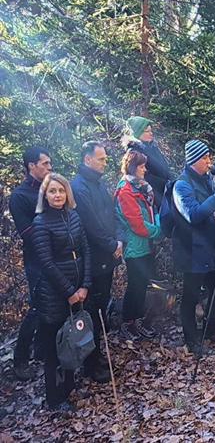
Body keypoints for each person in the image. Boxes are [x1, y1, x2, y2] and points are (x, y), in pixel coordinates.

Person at [30, 173, 90, 412]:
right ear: (45, 194)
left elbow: (85, 249)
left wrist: (85, 284)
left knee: (72, 341)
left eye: (61, 191)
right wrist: (68, 292)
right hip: (54, 294)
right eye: (53, 191)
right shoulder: (41, 223)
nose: (57, 195)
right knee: (55, 347)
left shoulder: (73, 216)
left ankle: (69, 388)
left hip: (78, 289)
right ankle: (55, 399)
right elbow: (46, 262)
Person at [71, 141, 124, 383]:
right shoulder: (79, 187)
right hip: (93, 260)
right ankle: (90, 364)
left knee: (101, 307)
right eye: (100, 159)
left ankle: (97, 354)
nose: (104, 163)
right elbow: (91, 225)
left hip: (108, 256)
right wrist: (111, 245)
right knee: (91, 311)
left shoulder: (99, 183)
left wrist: (119, 240)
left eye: (105, 159)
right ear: (87, 159)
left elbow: (112, 213)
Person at [172, 140, 215, 352]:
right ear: (194, 160)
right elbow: (193, 214)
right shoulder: (182, 185)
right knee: (191, 296)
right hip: (191, 250)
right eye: (205, 158)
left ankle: (209, 329)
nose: (208, 161)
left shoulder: (207, 179)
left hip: (210, 247)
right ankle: (192, 340)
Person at [9, 146, 52, 381]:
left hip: (59, 258)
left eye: (49, 163)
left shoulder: (51, 189)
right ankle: (20, 360)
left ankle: (42, 351)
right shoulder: (20, 196)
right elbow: (27, 232)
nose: (49, 167)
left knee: (55, 307)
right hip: (37, 262)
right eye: (44, 163)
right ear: (31, 166)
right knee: (36, 308)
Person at [114, 150, 162, 340]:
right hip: (135, 247)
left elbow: (152, 211)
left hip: (146, 245)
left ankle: (138, 320)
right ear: (133, 167)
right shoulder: (125, 190)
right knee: (134, 286)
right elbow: (137, 224)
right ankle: (127, 323)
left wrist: (157, 227)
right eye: (141, 166)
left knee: (142, 285)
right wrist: (159, 232)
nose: (145, 169)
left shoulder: (142, 187)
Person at [124, 117, 174, 209]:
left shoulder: (152, 147)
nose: (151, 134)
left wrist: (171, 181)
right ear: (138, 133)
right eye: (147, 131)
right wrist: (166, 183)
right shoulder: (135, 152)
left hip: (165, 191)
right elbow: (144, 176)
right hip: (154, 195)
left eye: (151, 131)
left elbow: (163, 167)